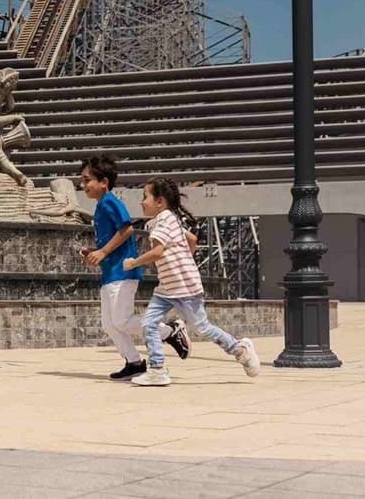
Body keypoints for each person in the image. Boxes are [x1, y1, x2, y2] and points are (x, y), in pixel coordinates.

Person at [123, 177, 261, 386]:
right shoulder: (166, 220)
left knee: (202, 328)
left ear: (160, 201)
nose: (141, 202)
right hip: (167, 288)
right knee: (148, 323)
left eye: (145, 197)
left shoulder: (164, 219)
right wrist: (185, 260)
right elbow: (192, 240)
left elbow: (158, 252)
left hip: (184, 287)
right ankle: (157, 369)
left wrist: (134, 263)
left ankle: (240, 349)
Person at [80, 155, 189, 380]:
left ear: (104, 182)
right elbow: (112, 238)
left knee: (122, 321)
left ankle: (170, 331)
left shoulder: (111, 202)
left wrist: (103, 252)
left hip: (123, 271)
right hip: (110, 272)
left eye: (87, 180)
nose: (83, 185)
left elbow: (127, 229)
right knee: (109, 324)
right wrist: (95, 251)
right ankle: (134, 362)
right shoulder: (101, 205)